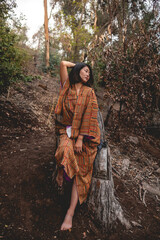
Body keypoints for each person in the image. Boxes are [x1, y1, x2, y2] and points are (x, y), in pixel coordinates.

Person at [54, 60, 100, 231]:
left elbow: (90, 115)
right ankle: (61, 171)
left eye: (90, 73)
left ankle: (70, 213)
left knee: (81, 173)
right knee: (64, 150)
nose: (88, 75)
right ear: (78, 71)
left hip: (85, 137)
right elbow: (62, 63)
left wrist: (80, 138)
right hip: (67, 132)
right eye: (85, 71)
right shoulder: (67, 86)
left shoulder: (90, 92)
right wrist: (79, 64)